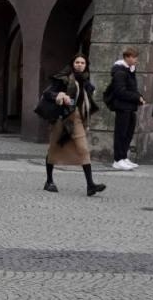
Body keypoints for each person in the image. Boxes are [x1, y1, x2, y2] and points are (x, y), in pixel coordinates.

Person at [41, 53, 106, 196]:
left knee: (83, 149)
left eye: (83, 63)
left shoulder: (86, 82)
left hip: (76, 119)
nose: (80, 65)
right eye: (77, 62)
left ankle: (90, 185)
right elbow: (47, 93)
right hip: (61, 118)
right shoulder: (62, 78)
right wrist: (59, 95)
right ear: (72, 64)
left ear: (86, 65)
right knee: (53, 149)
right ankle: (49, 181)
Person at [106, 46, 144, 169]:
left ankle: (123, 157)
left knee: (128, 133)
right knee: (121, 133)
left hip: (130, 107)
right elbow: (120, 91)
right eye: (134, 57)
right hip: (122, 107)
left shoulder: (130, 70)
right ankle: (117, 160)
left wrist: (139, 96)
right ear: (127, 57)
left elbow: (132, 89)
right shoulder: (120, 72)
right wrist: (136, 98)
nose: (136, 60)